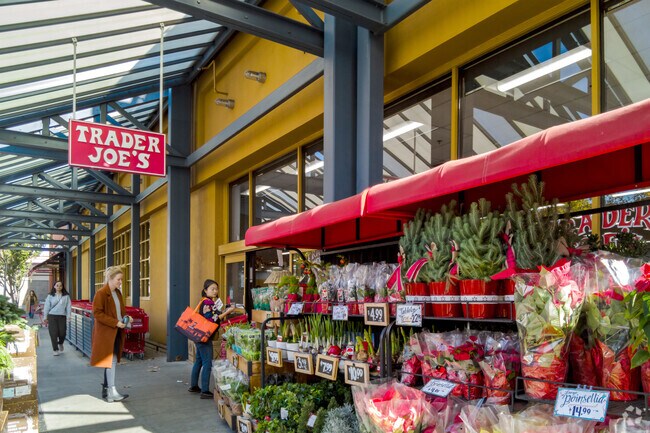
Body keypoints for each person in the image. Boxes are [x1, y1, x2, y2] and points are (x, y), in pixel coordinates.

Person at [91, 266, 131, 403]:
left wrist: (126, 317)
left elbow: (121, 311)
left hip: (115, 331)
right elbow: (97, 313)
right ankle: (110, 391)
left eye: (121, 280)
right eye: (119, 279)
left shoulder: (117, 293)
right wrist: (115, 322)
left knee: (111, 362)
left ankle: (110, 392)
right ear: (110, 279)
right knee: (110, 362)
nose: (121, 282)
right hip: (107, 333)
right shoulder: (101, 293)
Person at [188, 279, 234, 399]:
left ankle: (194, 386)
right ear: (205, 290)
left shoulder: (205, 301)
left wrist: (222, 312)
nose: (215, 291)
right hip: (204, 337)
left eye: (216, 289)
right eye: (212, 289)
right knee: (207, 363)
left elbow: (214, 316)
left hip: (198, 335)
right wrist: (228, 312)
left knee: (198, 361)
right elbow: (212, 320)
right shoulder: (208, 303)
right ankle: (204, 390)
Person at [42, 282, 71, 356]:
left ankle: (60, 343)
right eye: (57, 285)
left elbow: (68, 307)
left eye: (60, 285)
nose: (59, 287)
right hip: (52, 316)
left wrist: (69, 316)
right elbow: (46, 307)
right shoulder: (50, 296)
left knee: (63, 332)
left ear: (62, 287)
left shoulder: (66, 296)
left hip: (62, 316)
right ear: (54, 286)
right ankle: (55, 349)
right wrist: (45, 317)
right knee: (53, 333)